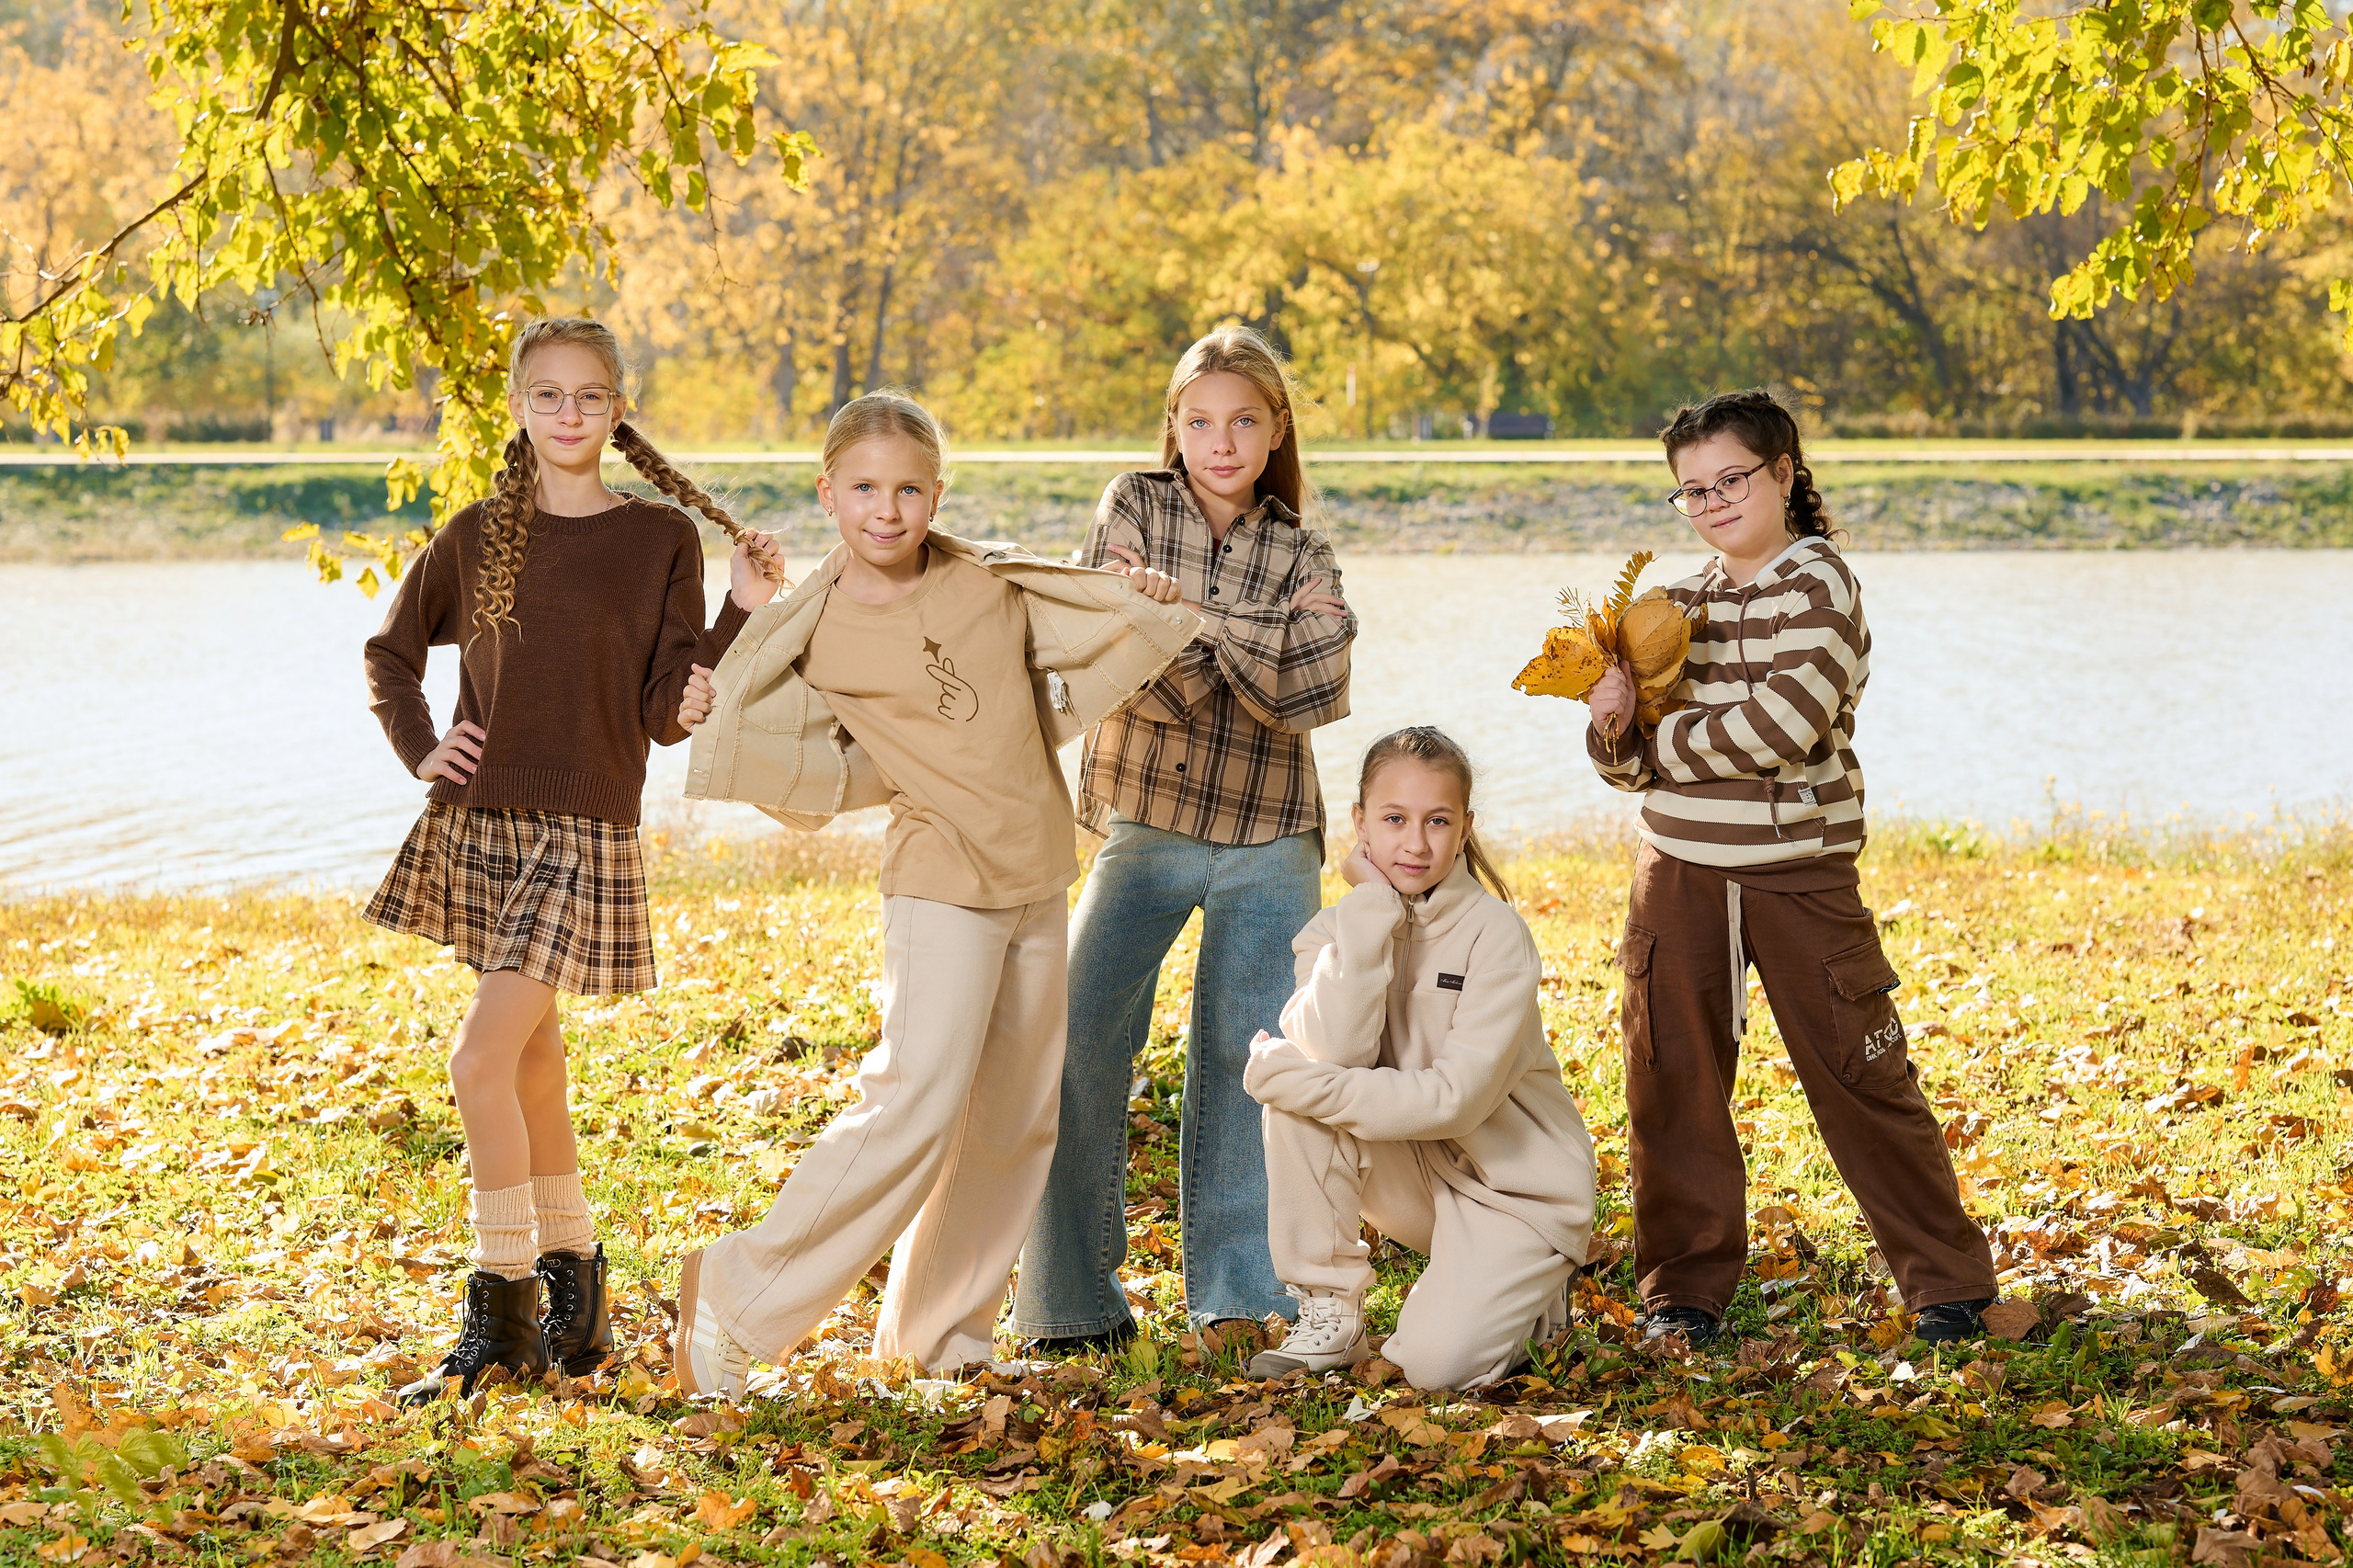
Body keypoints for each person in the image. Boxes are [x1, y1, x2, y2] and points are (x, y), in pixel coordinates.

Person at [665, 391, 1201, 1395]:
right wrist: (706, 679)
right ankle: (736, 1294)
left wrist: (1137, 595)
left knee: (1011, 1120)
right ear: (828, 493)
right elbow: (733, 700)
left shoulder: (988, 577)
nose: (887, 509)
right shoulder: (813, 625)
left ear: (937, 495)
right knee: (910, 1104)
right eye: (865, 488)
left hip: (1036, 870)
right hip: (939, 882)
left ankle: (940, 1340)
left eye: (909, 489)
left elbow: (1080, 642)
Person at [361, 316, 786, 1403]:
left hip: (585, 827)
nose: (568, 413)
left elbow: (663, 712)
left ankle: (503, 1307)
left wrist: (736, 617)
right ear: (519, 406)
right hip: (483, 821)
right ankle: (577, 1296)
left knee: (478, 1060)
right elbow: (389, 653)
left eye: (590, 395)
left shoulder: (658, 540)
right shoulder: (478, 535)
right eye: (547, 394)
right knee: (530, 1061)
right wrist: (423, 745)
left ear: (617, 409)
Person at [1586, 387, 1997, 1346]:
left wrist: (1656, 739)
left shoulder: (1821, 587)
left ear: (1782, 473)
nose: (1714, 502)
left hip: (1797, 870)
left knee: (1861, 1069)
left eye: (1731, 479)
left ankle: (1947, 1284)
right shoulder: (1672, 605)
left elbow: (1783, 726)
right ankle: (1682, 1293)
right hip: (1675, 869)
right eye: (1693, 490)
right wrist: (1613, 724)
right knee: (1670, 1080)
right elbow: (1619, 762)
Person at [1011, 326, 1357, 1354]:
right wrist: (1258, 633)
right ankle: (1071, 1304)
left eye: (1244, 420)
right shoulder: (1133, 503)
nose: (1222, 441)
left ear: (1276, 429)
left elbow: (1315, 686)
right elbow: (1119, 664)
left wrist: (1183, 615)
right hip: (1144, 820)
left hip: (1270, 832)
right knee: (1076, 1039)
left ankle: (1240, 1300)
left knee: (1252, 1063)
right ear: (1174, 425)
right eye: (1200, 420)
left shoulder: (1303, 546)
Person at [1241, 728, 1595, 1389]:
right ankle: (1329, 1311)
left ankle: (1533, 1291)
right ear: (1360, 823)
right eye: (1394, 819)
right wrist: (1372, 909)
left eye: (1438, 821)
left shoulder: (1496, 935)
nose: (1416, 844)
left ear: (1465, 830)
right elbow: (1335, 1048)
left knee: (1434, 1368)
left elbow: (1455, 1101)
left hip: (1515, 1193)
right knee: (1299, 1089)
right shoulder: (1332, 931)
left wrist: (1294, 1082)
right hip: (1416, 1183)